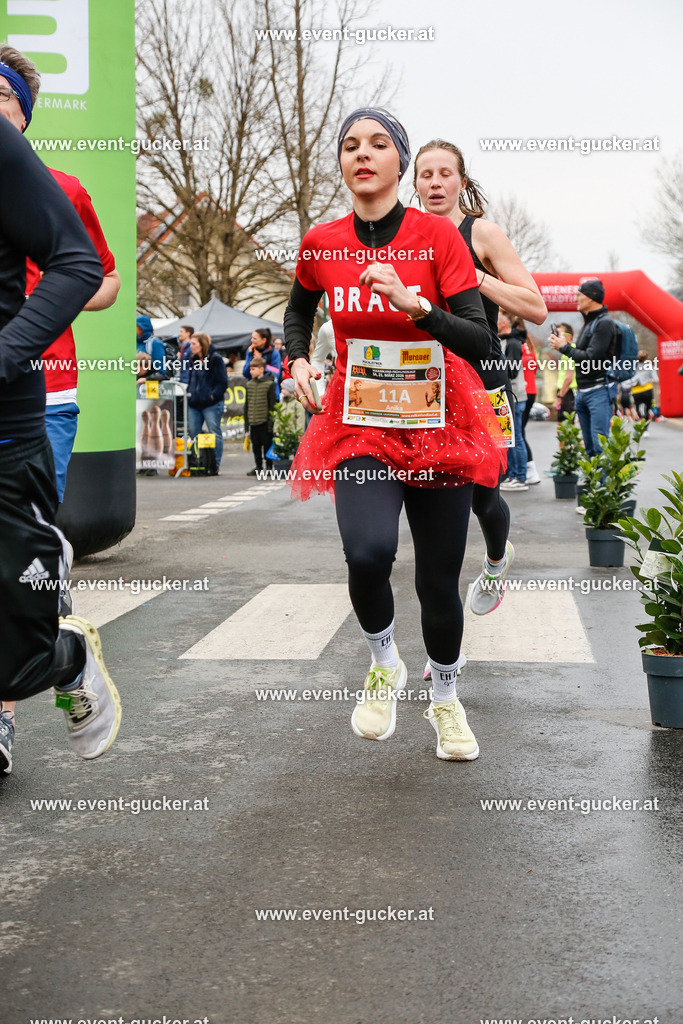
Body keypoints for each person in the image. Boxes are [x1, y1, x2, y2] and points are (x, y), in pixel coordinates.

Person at [284, 106, 507, 761]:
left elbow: (484, 346)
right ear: (342, 163)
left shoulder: (437, 239)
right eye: (350, 145)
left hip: (440, 421)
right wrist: (297, 357)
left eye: (378, 143)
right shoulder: (321, 242)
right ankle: (383, 660)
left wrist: (417, 308)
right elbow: (299, 307)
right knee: (366, 553)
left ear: (398, 161)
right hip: (359, 423)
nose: (362, 153)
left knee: (436, 583)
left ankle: (445, 700)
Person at [0, 113, 121, 776]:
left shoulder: (54, 182)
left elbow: (92, 272)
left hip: (35, 395)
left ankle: (55, 650)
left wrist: (14, 340)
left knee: (21, 600)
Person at [413, 138, 546, 619]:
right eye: (425, 174)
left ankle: (495, 561)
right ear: (415, 184)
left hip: (481, 376)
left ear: (461, 182)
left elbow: (536, 306)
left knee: (484, 497)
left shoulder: (483, 233)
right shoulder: (406, 237)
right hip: (423, 384)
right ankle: (441, 639)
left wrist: (474, 275)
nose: (435, 182)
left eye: (445, 173)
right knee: (430, 503)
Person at [0, 45, 121, 504]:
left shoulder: (63, 189)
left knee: (31, 537)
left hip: (45, 392)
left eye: (1, 95)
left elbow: (107, 281)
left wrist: (47, 301)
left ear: (24, 114)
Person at [549, 279, 615, 458]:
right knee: (590, 449)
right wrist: (563, 347)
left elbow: (591, 358)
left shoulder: (604, 323)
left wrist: (564, 347)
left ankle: (602, 485)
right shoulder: (588, 323)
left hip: (598, 391)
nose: (576, 298)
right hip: (583, 392)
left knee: (599, 447)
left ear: (592, 297)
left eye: (579, 294)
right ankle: (592, 484)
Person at [186, 331, 228, 471]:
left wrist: (213, 395)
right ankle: (199, 461)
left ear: (202, 344)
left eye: (193, 343)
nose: (190, 346)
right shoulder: (192, 359)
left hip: (211, 403)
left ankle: (214, 464)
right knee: (193, 432)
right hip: (194, 402)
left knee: (214, 432)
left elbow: (223, 382)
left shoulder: (215, 359)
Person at [498, 310, 528, 491]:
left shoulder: (513, 343)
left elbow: (512, 371)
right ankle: (513, 475)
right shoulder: (504, 340)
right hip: (508, 394)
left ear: (505, 322)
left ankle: (521, 477)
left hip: (515, 396)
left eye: (498, 317)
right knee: (510, 438)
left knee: (516, 438)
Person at [244, 355, 276, 476]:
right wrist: (246, 425)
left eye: (253, 369)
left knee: (267, 445)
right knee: (256, 446)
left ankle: (269, 466)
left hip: (264, 421)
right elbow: (246, 406)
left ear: (261, 369)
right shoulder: (249, 385)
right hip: (253, 421)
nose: (250, 371)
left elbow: (272, 405)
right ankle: (258, 466)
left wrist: (271, 423)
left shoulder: (269, 384)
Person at [521, 333, 541, 483]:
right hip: (532, 391)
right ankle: (529, 468)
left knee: (518, 433)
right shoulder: (531, 349)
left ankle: (529, 469)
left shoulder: (518, 346)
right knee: (520, 431)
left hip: (523, 391)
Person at [243, 328, 281, 398]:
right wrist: (251, 357)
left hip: (270, 393)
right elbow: (245, 373)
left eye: (255, 338)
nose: (252, 340)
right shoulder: (250, 351)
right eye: (252, 338)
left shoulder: (274, 352)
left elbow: (276, 373)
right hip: (254, 393)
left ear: (264, 340)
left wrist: (260, 360)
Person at [554, 323, 576, 423]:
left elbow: (569, 377)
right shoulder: (566, 352)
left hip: (568, 393)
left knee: (565, 427)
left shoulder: (570, 351)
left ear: (569, 336)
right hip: (565, 392)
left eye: (560, 335)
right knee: (563, 425)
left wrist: (559, 397)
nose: (557, 337)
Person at [630, 350, 658, 421]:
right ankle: (645, 425)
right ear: (647, 358)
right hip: (647, 389)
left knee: (638, 407)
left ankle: (640, 414)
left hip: (636, 391)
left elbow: (628, 379)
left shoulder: (632, 367)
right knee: (648, 408)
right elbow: (656, 379)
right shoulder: (649, 366)